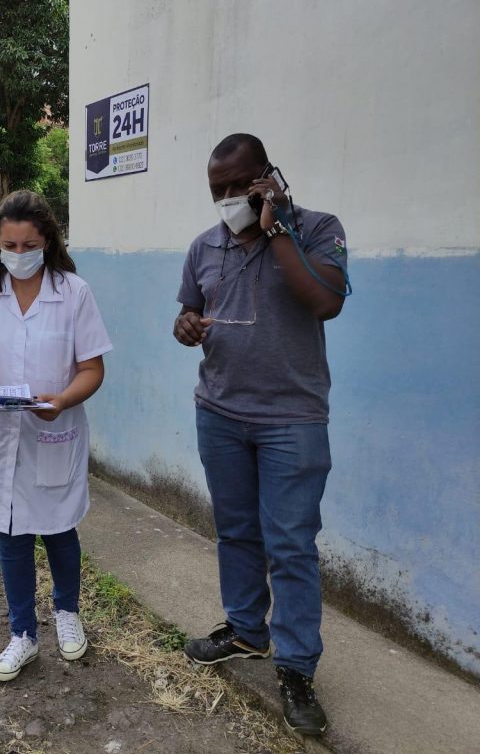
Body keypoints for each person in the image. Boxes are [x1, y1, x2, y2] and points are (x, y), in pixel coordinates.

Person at [173, 133, 349, 736]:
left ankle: (296, 665)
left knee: (291, 544)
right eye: (215, 190)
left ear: (265, 177)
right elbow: (185, 313)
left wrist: (277, 229)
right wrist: (186, 324)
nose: (225, 199)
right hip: (219, 412)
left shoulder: (317, 228)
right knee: (237, 530)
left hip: (292, 420)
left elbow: (325, 301)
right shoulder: (205, 246)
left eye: (235, 187)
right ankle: (247, 630)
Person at [0, 190, 112, 682]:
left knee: (60, 528)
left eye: (29, 244)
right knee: (12, 532)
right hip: (2, 432)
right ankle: (22, 633)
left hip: (53, 429)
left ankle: (67, 613)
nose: (18, 255)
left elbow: (92, 368)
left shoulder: (73, 292)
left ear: (48, 242)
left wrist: (61, 400)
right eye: (9, 245)